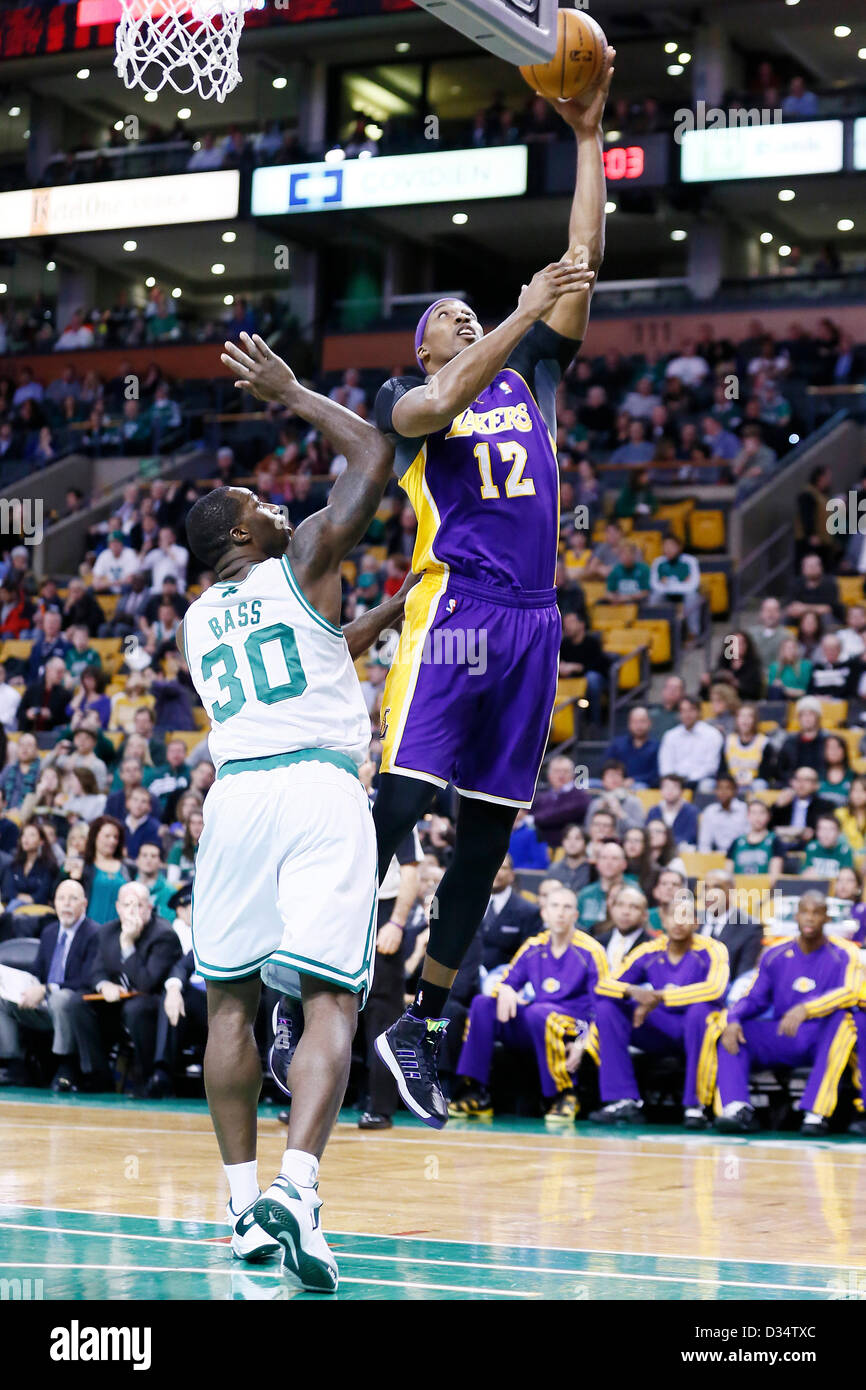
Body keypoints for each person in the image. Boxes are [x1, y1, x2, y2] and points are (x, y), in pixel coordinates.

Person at [358, 61, 613, 1133]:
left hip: (534, 624)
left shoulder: (533, 379)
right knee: (396, 808)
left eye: (471, 313)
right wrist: (510, 313)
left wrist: (591, 138)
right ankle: (310, 985)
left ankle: (411, 1017)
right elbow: (448, 396)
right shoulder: (406, 394)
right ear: (425, 342)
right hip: (454, 615)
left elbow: (581, 262)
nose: (463, 320)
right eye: (447, 315)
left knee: (484, 838)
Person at [185, 336, 417, 1288]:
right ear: (243, 537)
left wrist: (383, 618)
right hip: (320, 792)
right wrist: (291, 392)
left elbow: (310, 655)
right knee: (332, 997)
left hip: (236, 801)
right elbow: (377, 454)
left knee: (230, 1004)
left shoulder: (200, 619)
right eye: (261, 509)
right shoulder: (309, 552)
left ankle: (244, 1211)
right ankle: (299, 1186)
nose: (280, 509)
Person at [449, 884, 608, 1123]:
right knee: (483, 1004)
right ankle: (474, 1091)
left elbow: (605, 1005)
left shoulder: (591, 951)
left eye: (567, 907)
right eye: (555, 906)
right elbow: (504, 981)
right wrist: (505, 990)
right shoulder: (533, 946)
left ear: (576, 915)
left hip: (574, 1026)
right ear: (544, 913)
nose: (561, 913)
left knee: (540, 1013)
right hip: (537, 1021)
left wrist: (585, 1042)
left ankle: (565, 1094)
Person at [714, 893, 859, 1136]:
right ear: (796, 916)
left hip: (821, 1035)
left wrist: (808, 1008)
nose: (810, 918)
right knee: (732, 1032)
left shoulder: (844, 954)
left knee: (844, 1020)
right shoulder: (775, 954)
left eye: (816, 912)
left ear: (826, 917)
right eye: (805, 911)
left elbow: (851, 992)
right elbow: (754, 998)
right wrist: (733, 1018)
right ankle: (737, 1108)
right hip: (783, 1033)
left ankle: (816, 1113)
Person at [588, 896, 728, 1129]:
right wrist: (634, 991)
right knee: (608, 1008)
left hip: (697, 1029)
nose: (678, 922)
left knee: (701, 1011)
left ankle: (696, 1106)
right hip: (660, 1027)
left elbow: (715, 989)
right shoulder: (648, 950)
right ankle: (623, 1099)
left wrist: (660, 997)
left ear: (696, 922)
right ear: (662, 919)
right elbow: (603, 985)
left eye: (686, 916)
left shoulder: (712, 949)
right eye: (673, 915)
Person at [81, 881, 183, 1096]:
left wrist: (128, 945)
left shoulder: (163, 934)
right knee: (78, 1006)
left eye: (138, 905)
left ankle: (149, 1078)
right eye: (127, 905)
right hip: (117, 1001)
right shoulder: (107, 931)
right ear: (118, 907)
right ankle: (98, 1076)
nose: (132, 911)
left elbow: (147, 983)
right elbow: (95, 971)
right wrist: (104, 985)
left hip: (155, 1003)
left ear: (149, 908)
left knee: (135, 1009)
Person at [0, 879, 101, 1091]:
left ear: (84, 904)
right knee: (2, 997)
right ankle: (14, 1063)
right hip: (44, 1005)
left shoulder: (94, 933)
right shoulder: (49, 932)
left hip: (76, 1008)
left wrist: (46, 989)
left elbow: (89, 979)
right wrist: (21, 986)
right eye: (61, 899)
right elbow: (38, 972)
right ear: (54, 903)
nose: (66, 904)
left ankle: (66, 1064)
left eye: (73, 899)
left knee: (61, 997)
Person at [699, 870, 764, 986]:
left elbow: (743, 978)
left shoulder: (750, 928)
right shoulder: (691, 921)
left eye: (717, 888)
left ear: (731, 891)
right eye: (706, 888)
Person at [657, 696, 723, 788]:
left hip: (701, 780)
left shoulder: (712, 734)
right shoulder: (670, 735)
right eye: (683, 711)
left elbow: (711, 767)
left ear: (699, 712)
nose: (687, 714)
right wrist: (674, 780)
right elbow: (665, 765)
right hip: (675, 781)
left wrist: (689, 779)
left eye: (691, 710)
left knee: (707, 785)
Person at [649, 534, 703, 641]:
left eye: (671, 546)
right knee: (655, 597)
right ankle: (656, 631)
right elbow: (654, 584)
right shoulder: (658, 562)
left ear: (679, 547)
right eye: (665, 546)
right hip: (666, 595)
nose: (668, 549)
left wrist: (669, 585)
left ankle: (694, 634)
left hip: (684, 595)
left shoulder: (690, 561)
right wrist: (676, 585)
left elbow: (693, 585)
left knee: (692, 597)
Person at [530, 755, 592, 848]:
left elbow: (562, 814)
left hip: (566, 849)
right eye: (557, 771)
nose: (561, 775)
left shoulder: (580, 796)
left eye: (565, 771)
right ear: (549, 775)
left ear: (573, 774)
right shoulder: (540, 797)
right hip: (541, 847)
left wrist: (534, 819)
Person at [597, 882, 655, 972]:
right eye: (620, 905)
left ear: (645, 915)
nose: (625, 912)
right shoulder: (598, 941)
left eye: (634, 907)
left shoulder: (653, 947)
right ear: (611, 909)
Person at [604, 705, 659, 787]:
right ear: (629, 724)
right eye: (635, 722)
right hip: (614, 783)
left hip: (640, 786)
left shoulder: (656, 747)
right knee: (587, 783)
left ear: (649, 723)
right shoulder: (618, 744)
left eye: (642, 721)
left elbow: (655, 775)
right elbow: (606, 765)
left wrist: (634, 780)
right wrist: (615, 779)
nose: (639, 725)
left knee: (640, 786)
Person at [697, 775, 749, 855]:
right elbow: (704, 844)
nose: (723, 792)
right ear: (715, 791)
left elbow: (750, 837)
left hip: (742, 854)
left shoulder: (745, 810)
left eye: (727, 788)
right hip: (717, 856)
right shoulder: (710, 811)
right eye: (719, 788)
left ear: (735, 790)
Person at [727, 798, 778, 877]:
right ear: (748, 816)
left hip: (763, 888)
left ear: (769, 816)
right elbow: (728, 874)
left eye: (762, 813)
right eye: (753, 813)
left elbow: (775, 876)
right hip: (739, 888)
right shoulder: (737, 842)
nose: (757, 817)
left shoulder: (775, 841)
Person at [645, 774, 699, 849]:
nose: (669, 791)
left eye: (674, 787)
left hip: (681, 849)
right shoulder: (654, 810)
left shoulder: (691, 811)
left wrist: (666, 843)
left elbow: (690, 836)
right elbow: (647, 833)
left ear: (682, 791)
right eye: (666, 787)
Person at [547, 824, 592, 896]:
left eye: (577, 838)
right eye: (567, 838)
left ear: (586, 843)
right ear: (563, 842)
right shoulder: (553, 869)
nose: (572, 842)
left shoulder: (593, 870)